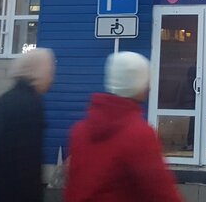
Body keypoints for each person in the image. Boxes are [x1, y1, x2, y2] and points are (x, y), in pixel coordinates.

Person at [65, 51, 182, 202]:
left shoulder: (79, 132)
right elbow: (162, 193)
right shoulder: (139, 135)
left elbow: (73, 189)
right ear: (139, 85)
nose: (149, 87)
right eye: (146, 81)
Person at [0, 48, 56, 202]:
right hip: (19, 192)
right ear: (39, 72)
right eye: (50, 72)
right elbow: (30, 163)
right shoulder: (33, 104)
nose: (52, 79)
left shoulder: (4, 100)